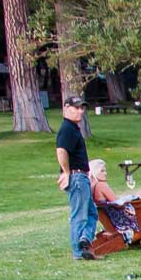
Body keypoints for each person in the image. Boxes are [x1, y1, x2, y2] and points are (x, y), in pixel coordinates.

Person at [90, 159, 141, 245]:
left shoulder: (92, 186)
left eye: (105, 170)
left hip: (113, 220)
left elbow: (112, 202)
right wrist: (130, 199)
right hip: (122, 222)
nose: (105, 173)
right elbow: (118, 204)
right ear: (95, 172)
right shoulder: (102, 185)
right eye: (102, 171)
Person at [55, 95, 96, 260]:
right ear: (66, 107)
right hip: (76, 176)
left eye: (82, 108)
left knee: (92, 213)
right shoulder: (67, 128)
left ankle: (84, 241)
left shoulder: (73, 128)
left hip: (81, 175)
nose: (80, 111)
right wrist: (66, 171)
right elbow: (61, 150)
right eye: (76, 108)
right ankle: (79, 252)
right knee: (80, 215)